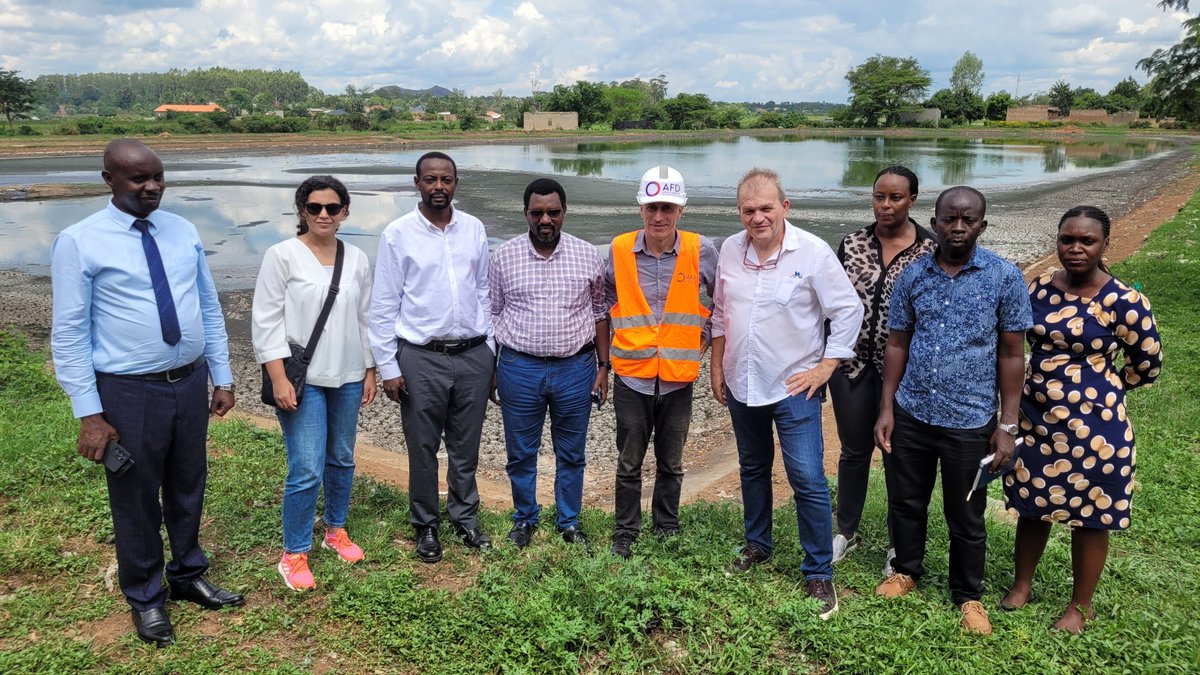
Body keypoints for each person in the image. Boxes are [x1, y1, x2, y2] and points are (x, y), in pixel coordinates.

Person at [50, 139, 242, 648]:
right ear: (108, 179)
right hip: (128, 392)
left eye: (158, 176)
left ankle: (187, 573)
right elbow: (68, 333)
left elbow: (207, 305)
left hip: (189, 383)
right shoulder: (79, 241)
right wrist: (90, 414)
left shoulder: (183, 230)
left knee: (188, 484)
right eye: (138, 178)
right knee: (135, 497)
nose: (152, 186)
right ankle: (146, 597)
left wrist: (220, 376)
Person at [873, 186, 1032, 635]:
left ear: (982, 223)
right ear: (935, 220)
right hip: (913, 412)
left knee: (966, 512)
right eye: (948, 219)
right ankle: (905, 569)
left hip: (970, 418)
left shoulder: (1003, 277)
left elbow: (1011, 353)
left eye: (968, 220)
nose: (957, 228)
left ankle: (967, 596)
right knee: (906, 501)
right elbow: (897, 342)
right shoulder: (912, 276)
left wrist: (1007, 424)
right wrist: (886, 406)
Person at [709, 168, 863, 620]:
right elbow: (720, 313)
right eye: (748, 210)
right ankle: (757, 544)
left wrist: (828, 364)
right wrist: (717, 366)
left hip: (794, 386)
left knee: (808, 479)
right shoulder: (730, 252)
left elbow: (847, 309)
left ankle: (818, 572)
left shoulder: (811, 252)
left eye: (766, 208)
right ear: (739, 212)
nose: (757, 218)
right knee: (753, 468)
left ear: (785, 208)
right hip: (742, 381)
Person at [999, 206, 1161, 633]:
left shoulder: (1124, 300)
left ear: (1104, 244)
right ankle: (1022, 584)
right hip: (1036, 417)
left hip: (1096, 427)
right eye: (1067, 239)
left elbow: (1147, 364)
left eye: (1086, 241)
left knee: (1092, 512)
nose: (1075, 248)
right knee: (1033, 503)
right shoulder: (1038, 288)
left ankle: (1080, 606)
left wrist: (1103, 386)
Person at [252, 176, 377, 591]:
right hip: (301, 381)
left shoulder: (356, 258)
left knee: (341, 457)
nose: (324, 214)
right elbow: (266, 320)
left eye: (332, 207)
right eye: (314, 207)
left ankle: (335, 530)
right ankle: (294, 553)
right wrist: (277, 377)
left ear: (344, 211)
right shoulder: (282, 255)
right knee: (305, 467)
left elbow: (365, 318)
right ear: (301, 211)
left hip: (347, 375)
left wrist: (370, 369)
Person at [369, 151, 494, 563]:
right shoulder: (397, 234)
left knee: (466, 444)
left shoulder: (474, 228)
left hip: (474, 354)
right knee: (422, 447)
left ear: (456, 183)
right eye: (430, 179)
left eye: (446, 179)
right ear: (416, 183)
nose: (438, 187)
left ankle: (464, 517)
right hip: (421, 356)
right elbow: (385, 304)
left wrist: (490, 348)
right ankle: (425, 525)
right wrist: (388, 365)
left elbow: (484, 292)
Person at [489, 178, 610, 547]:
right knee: (520, 452)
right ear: (526, 213)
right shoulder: (503, 256)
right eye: (537, 212)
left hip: (575, 369)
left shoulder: (588, 255)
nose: (545, 220)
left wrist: (604, 367)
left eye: (553, 212)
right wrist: (493, 369)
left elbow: (600, 312)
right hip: (518, 368)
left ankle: (568, 521)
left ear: (564, 212)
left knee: (571, 452)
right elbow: (492, 313)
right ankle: (524, 518)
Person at [606, 165, 718, 559]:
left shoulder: (700, 249)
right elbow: (604, 297)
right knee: (629, 459)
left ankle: (666, 525)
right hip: (632, 377)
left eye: (667, 208)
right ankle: (625, 531)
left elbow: (722, 301)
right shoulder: (619, 249)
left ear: (680, 210)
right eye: (652, 207)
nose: (659, 216)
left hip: (677, 378)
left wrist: (701, 339)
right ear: (640, 209)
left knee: (672, 460)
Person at [829, 166, 936, 573]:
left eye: (895, 197)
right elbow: (832, 305)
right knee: (854, 451)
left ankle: (898, 544)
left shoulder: (930, 249)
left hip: (906, 372)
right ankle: (847, 531)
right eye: (879, 197)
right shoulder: (852, 242)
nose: (886, 205)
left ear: (913, 200)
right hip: (852, 365)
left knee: (898, 455)